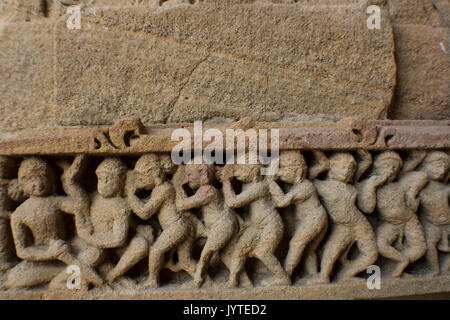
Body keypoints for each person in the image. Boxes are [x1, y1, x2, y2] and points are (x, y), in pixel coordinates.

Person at [311, 153, 378, 284]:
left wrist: (370, 187)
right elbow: (306, 179)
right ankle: (323, 276)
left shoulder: (352, 186)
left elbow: (367, 208)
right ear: (332, 168)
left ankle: (346, 274)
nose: (347, 172)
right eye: (343, 167)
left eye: (350, 169)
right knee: (331, 250)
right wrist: (322, 167)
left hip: (360, 224)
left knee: (371, 254)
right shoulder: (323, 186)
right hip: (343, 226)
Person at [222, 161, 291, 288]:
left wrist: (226, 182)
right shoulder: (248, 185)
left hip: (271, 225)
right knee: (239, 250)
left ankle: (283, 278)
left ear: (254, 171)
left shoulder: (260, 186)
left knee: (263, 252)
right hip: (257, 226)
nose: (237, 173)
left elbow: (233, 202)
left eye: (242, 169)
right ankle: (233, 281)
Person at [174, 159, 239, 288]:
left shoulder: (207, 190)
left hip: (222, 225)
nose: (187, 179)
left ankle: (198, 281)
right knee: (226, 254)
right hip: (220, 225)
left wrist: (178, 186)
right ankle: (242, 280)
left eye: (190, 175)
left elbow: (182, 205)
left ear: (203, 175)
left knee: (206, 253)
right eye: (186, 175)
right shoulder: (204, 190)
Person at [267, 151, 328, 280]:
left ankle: (285, 276)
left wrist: (270, 181)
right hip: (315, 218)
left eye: (284, 169)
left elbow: (282, 202)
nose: (280, 173)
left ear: (298, 172)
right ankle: (314, 275)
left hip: (314, 219)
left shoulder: (305, 187)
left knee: (296, 243)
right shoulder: (300, 183)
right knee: (309, 250)